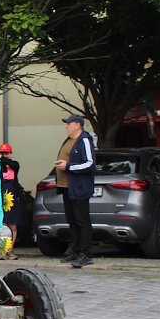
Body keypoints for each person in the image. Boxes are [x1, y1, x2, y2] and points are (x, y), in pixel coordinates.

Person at [54, 113, 96, 268]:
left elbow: (90, 163)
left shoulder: (84, 140)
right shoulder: (69, 140)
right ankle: (76, 250)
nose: (66, 126)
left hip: (79, 187)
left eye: (69, 123)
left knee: (82, 221)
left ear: (78, 125)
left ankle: (86, 253)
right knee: (72, 220)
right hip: (67, 187)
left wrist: (68, 166)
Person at [0, 143, 21, 260]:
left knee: (13, 225)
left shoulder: (15, 164)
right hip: (1, 197)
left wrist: (0, 157)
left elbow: (10, 164)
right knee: (2, 225)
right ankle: (3, 251)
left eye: (6, 153)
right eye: (2, 153)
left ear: (11, 154)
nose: (4, 155)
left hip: (13, 197)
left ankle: (10, 250)